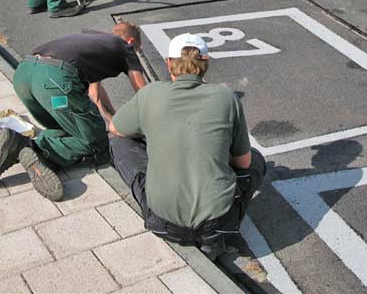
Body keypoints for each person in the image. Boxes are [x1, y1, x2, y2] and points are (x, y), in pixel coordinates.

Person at [108, 33, 266, 259]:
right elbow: (244, 162)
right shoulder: (225, 97)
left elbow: (116, 128)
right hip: (216, 222)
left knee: (118, 143)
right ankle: (215, 238)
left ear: (169, 63)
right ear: (205, 64)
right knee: (256, 160)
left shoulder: (151, 94)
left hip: (163, 221)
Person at [0, 22, 147, 201]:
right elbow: (145, 94)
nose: (135, 54)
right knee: (98, 146)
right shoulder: (126, 48)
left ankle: (16, 143)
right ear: (131, 41)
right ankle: (34, 150)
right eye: (137, 50)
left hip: (24, 74)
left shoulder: (95, 41)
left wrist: (115, 124)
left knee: (69, 130)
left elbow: (96, 95)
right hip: (53, 81)